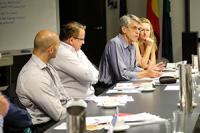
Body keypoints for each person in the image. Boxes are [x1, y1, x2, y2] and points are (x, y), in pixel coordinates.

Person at [16, 30, 69, 133]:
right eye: (59, 46)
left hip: (56, 120)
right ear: (51, 49)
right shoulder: (33, 76)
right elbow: (58, 114)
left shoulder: (47, 66)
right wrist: (81, 111)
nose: (60, 49)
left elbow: (64, 97)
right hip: (45, 127)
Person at [98, 14, 161, 86]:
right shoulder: (115, 43)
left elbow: (133, 68)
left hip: (123, 85)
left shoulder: (132, 45)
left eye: (139, 29)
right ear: (124, 29)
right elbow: (122, 75)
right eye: (134, 28)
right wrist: (146, 73)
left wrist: (148, 71)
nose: (138, 32)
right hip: (107, 88)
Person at [50, 21, 99, 98]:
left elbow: (95, 74)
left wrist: (91, 76)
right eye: (81, 39)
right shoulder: (62, 52)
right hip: (75, 102)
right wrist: (91, 76)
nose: (83, 42)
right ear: (71, 40)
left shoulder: (78, 50)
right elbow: (88, 77)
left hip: (88, 98)